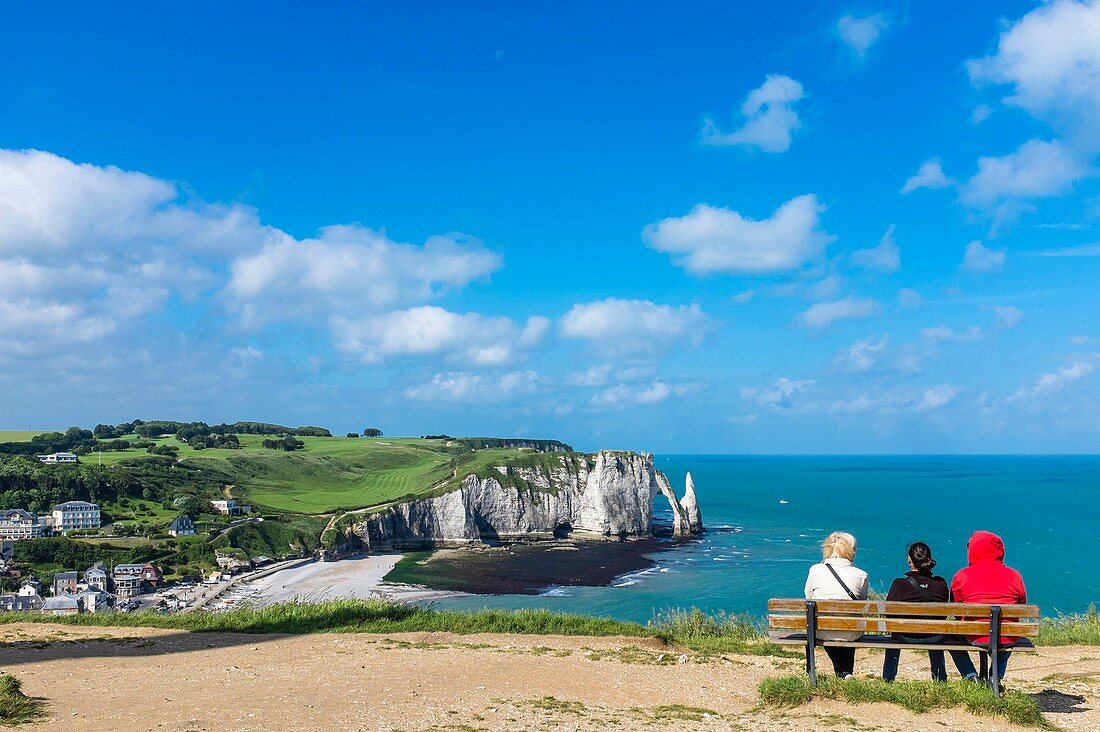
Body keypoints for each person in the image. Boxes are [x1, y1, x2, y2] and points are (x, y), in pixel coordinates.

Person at [948, 530, 1027, 682]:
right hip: (1005, 636)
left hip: (974, 636)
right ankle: (995, 676)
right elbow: (1021, 606)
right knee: (1008, 637)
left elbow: (957, 610)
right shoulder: (1014, 575)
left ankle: (970, 675)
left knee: (950, 637)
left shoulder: (962, 575)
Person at [881, 541, 950, 682]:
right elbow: (943, 614)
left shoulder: (899, 584)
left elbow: (889, 613)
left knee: (893, 630)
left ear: (909, 560)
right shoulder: (940, 583)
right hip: (934, 635)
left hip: (905, 635)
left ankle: (888, 678)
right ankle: (939, 678)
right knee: (934, 627)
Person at [804, 531, 869, 679]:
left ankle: (841, 673)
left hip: (821, 629)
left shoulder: (815, 570)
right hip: (850, 631)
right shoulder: (861, 575)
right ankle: (845, 672)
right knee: (848, 628)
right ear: (851, 551)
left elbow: (808, 598)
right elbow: (863, 604)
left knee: (827, 630)